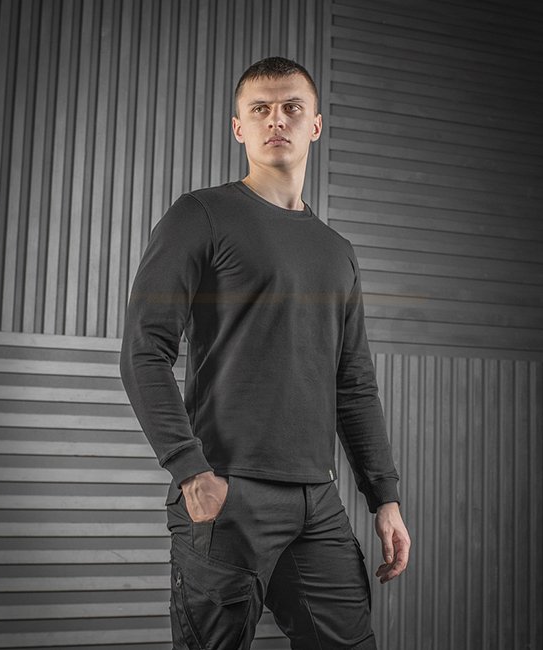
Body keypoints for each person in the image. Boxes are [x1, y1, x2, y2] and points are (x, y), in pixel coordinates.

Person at [120, 56, 410, 650]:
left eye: (292, 108)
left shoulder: (337, 251)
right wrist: (190, 470)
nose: (277, 119)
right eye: (260, 109)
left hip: (316, 498)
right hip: (227, 494)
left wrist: (385, 498)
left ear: (316, 125)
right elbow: (144, 349)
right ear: (239, 128)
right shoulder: (200, 215)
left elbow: (353, 384)